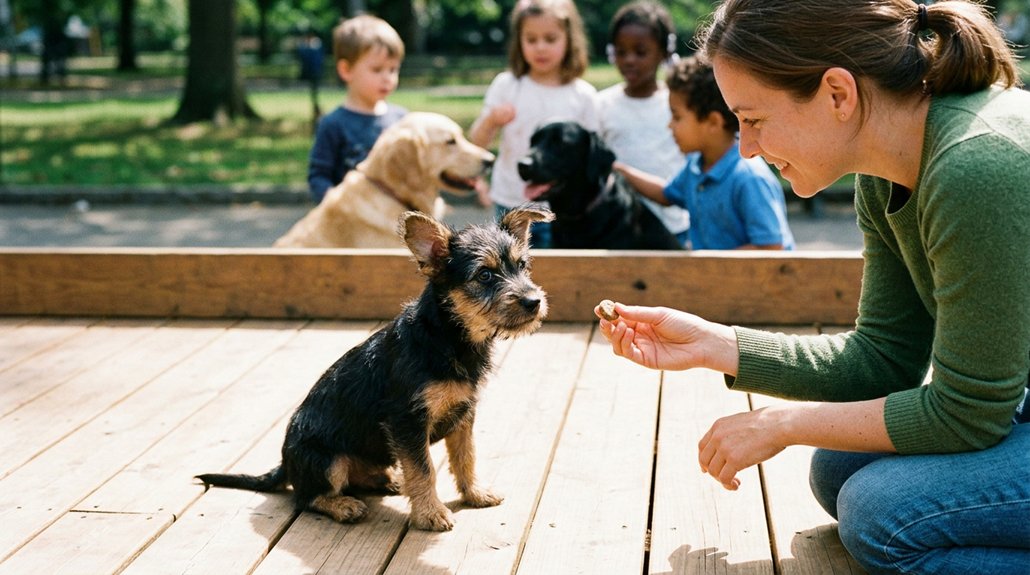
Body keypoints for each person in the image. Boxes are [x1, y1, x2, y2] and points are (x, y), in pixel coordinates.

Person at [596, 0, 1030, 573]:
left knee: (880, 514)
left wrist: (783, 423)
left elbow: (967, 414)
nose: (746, 147)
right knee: (838, 469)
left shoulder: (973, 166)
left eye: (753, 120)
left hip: (998, 408)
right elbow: (884, 357)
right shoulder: (886, 172)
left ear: (836, 94)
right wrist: (716, 344)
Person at [615, 55, 794, 250]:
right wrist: (621, 171)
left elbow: (770, 247)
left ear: (713, 122)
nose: (670, 125)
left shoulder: (748, 178)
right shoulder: (696, 166)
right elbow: (666, 194)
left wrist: (708, 265)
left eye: (677, 117)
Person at [468, 0, 598, 248]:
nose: (540, 47)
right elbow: (477, 143)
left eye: (550, 39)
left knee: (555, 275)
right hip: (511, 202)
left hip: (560, 209)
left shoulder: (582, 95)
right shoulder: (507, 85)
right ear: (519, 41)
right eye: (531, 39)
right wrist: (491, 121)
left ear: (569, 39)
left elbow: (588, 157)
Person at [597, 1, 691, 247]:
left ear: (664, 51)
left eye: (640, 52)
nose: (629, 60)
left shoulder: (678, 104)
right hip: (619, 229)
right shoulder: (602, 104)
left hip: (674, 226)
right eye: (621, 51)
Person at [307, 15, 407, 203]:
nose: (387, 77)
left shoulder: (402, 119)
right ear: (346, 70)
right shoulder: (333, 124)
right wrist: (335, 202)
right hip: (351, 223)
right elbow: (318, 176)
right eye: (377, 70)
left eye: (393, 69)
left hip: (393, 221)